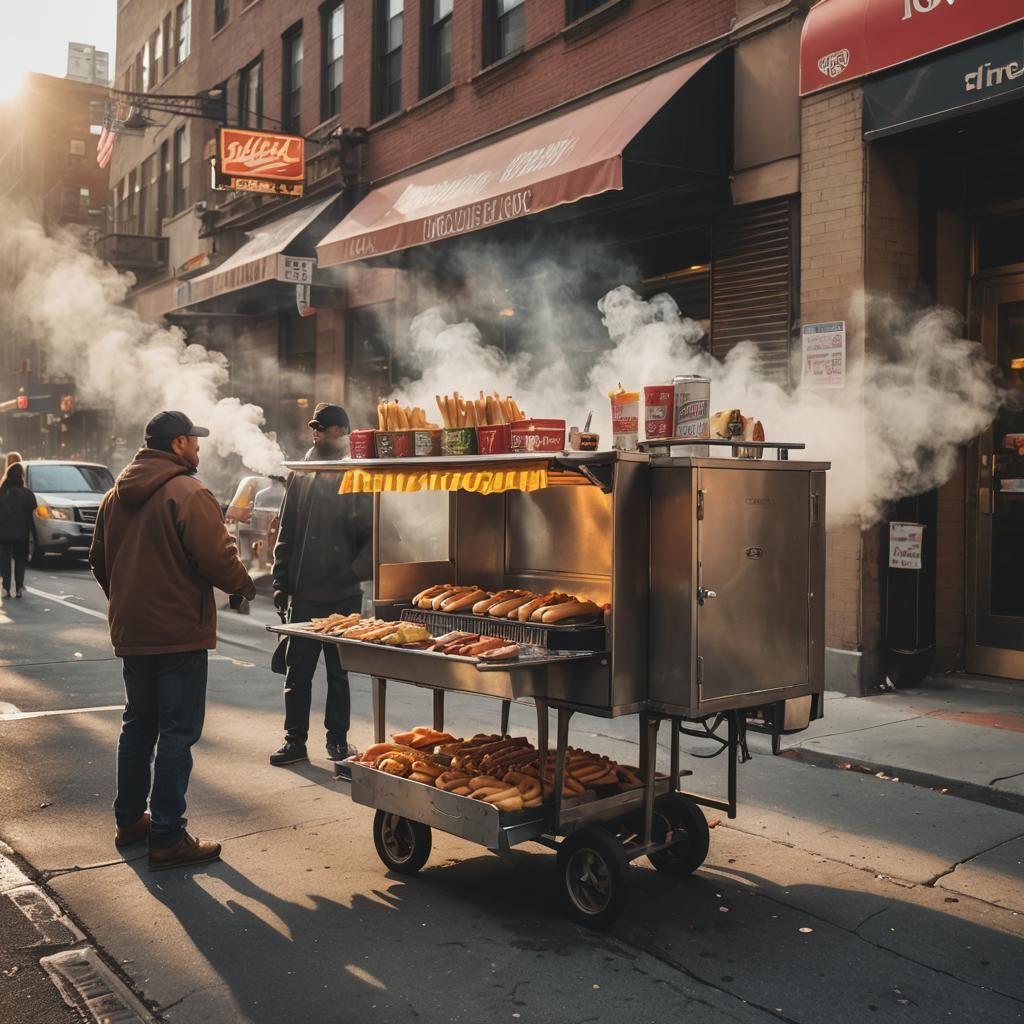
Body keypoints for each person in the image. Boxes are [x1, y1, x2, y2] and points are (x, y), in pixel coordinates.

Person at [89, 411, 256, 871]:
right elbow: (218, 558)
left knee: (137, 724)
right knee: (177, 733)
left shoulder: (113, 496)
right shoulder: (188, 491)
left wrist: (128, 602)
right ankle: (166, 835)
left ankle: (129, 821)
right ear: (179, 443)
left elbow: (98, 561)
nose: (200, 450)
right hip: (180, 634)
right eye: (195, 442)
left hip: (134, 632)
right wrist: (244, 585)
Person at [270, 403, 372, 769]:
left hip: (344, 593)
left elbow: (374, 535)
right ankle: (294, 741)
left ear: (341, 431)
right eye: (314, 427)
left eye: (324, 428)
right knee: (298, 673)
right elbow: (287, 529)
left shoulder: (357, 472)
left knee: (339, 675)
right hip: (307, 592)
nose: (316, 432)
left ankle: (338, 742)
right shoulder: (303, 472)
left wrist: (352, 571)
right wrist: (280, 579)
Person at [0, 462, 37, 598]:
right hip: (22, 533)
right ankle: (19, 587)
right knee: (20, 559)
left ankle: (5, 587)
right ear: (21, 477)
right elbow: (33, 507)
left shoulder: (2, 492)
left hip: (3, 533)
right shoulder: (27, 493)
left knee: (4, 560)